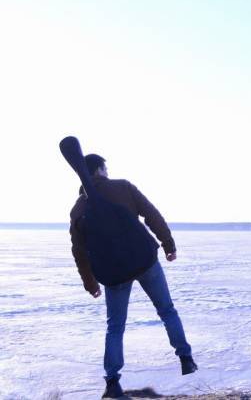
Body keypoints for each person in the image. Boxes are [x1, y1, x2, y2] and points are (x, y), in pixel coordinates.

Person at [68, 153, 197, 399]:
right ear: (99, 170)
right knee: (167, 311)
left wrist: (90, 282)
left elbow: (79, 252)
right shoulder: (122, 187)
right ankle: (185, 358)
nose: (107, 172)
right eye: (105, 168)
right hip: (145, 262)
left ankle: (113, 382)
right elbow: (152, 214)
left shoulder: (78, 210)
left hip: (114, 273)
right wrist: (168, 244)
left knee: (115, 327)